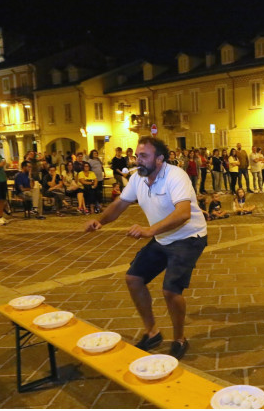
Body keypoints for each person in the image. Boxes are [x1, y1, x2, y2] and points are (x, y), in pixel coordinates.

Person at [84, 137, 207, 360]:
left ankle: (179, 338)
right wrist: (101, 221)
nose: (138, 160)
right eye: (137, 155)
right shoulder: (138, 179)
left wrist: (150, 231)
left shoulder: (175, 176)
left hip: (189, 237)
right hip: (162, 238)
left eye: (144, 156)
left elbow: (183, 213)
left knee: (171, 290)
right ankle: (152, 332)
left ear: (159, 159)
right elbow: (120, 204)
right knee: (133, 279)